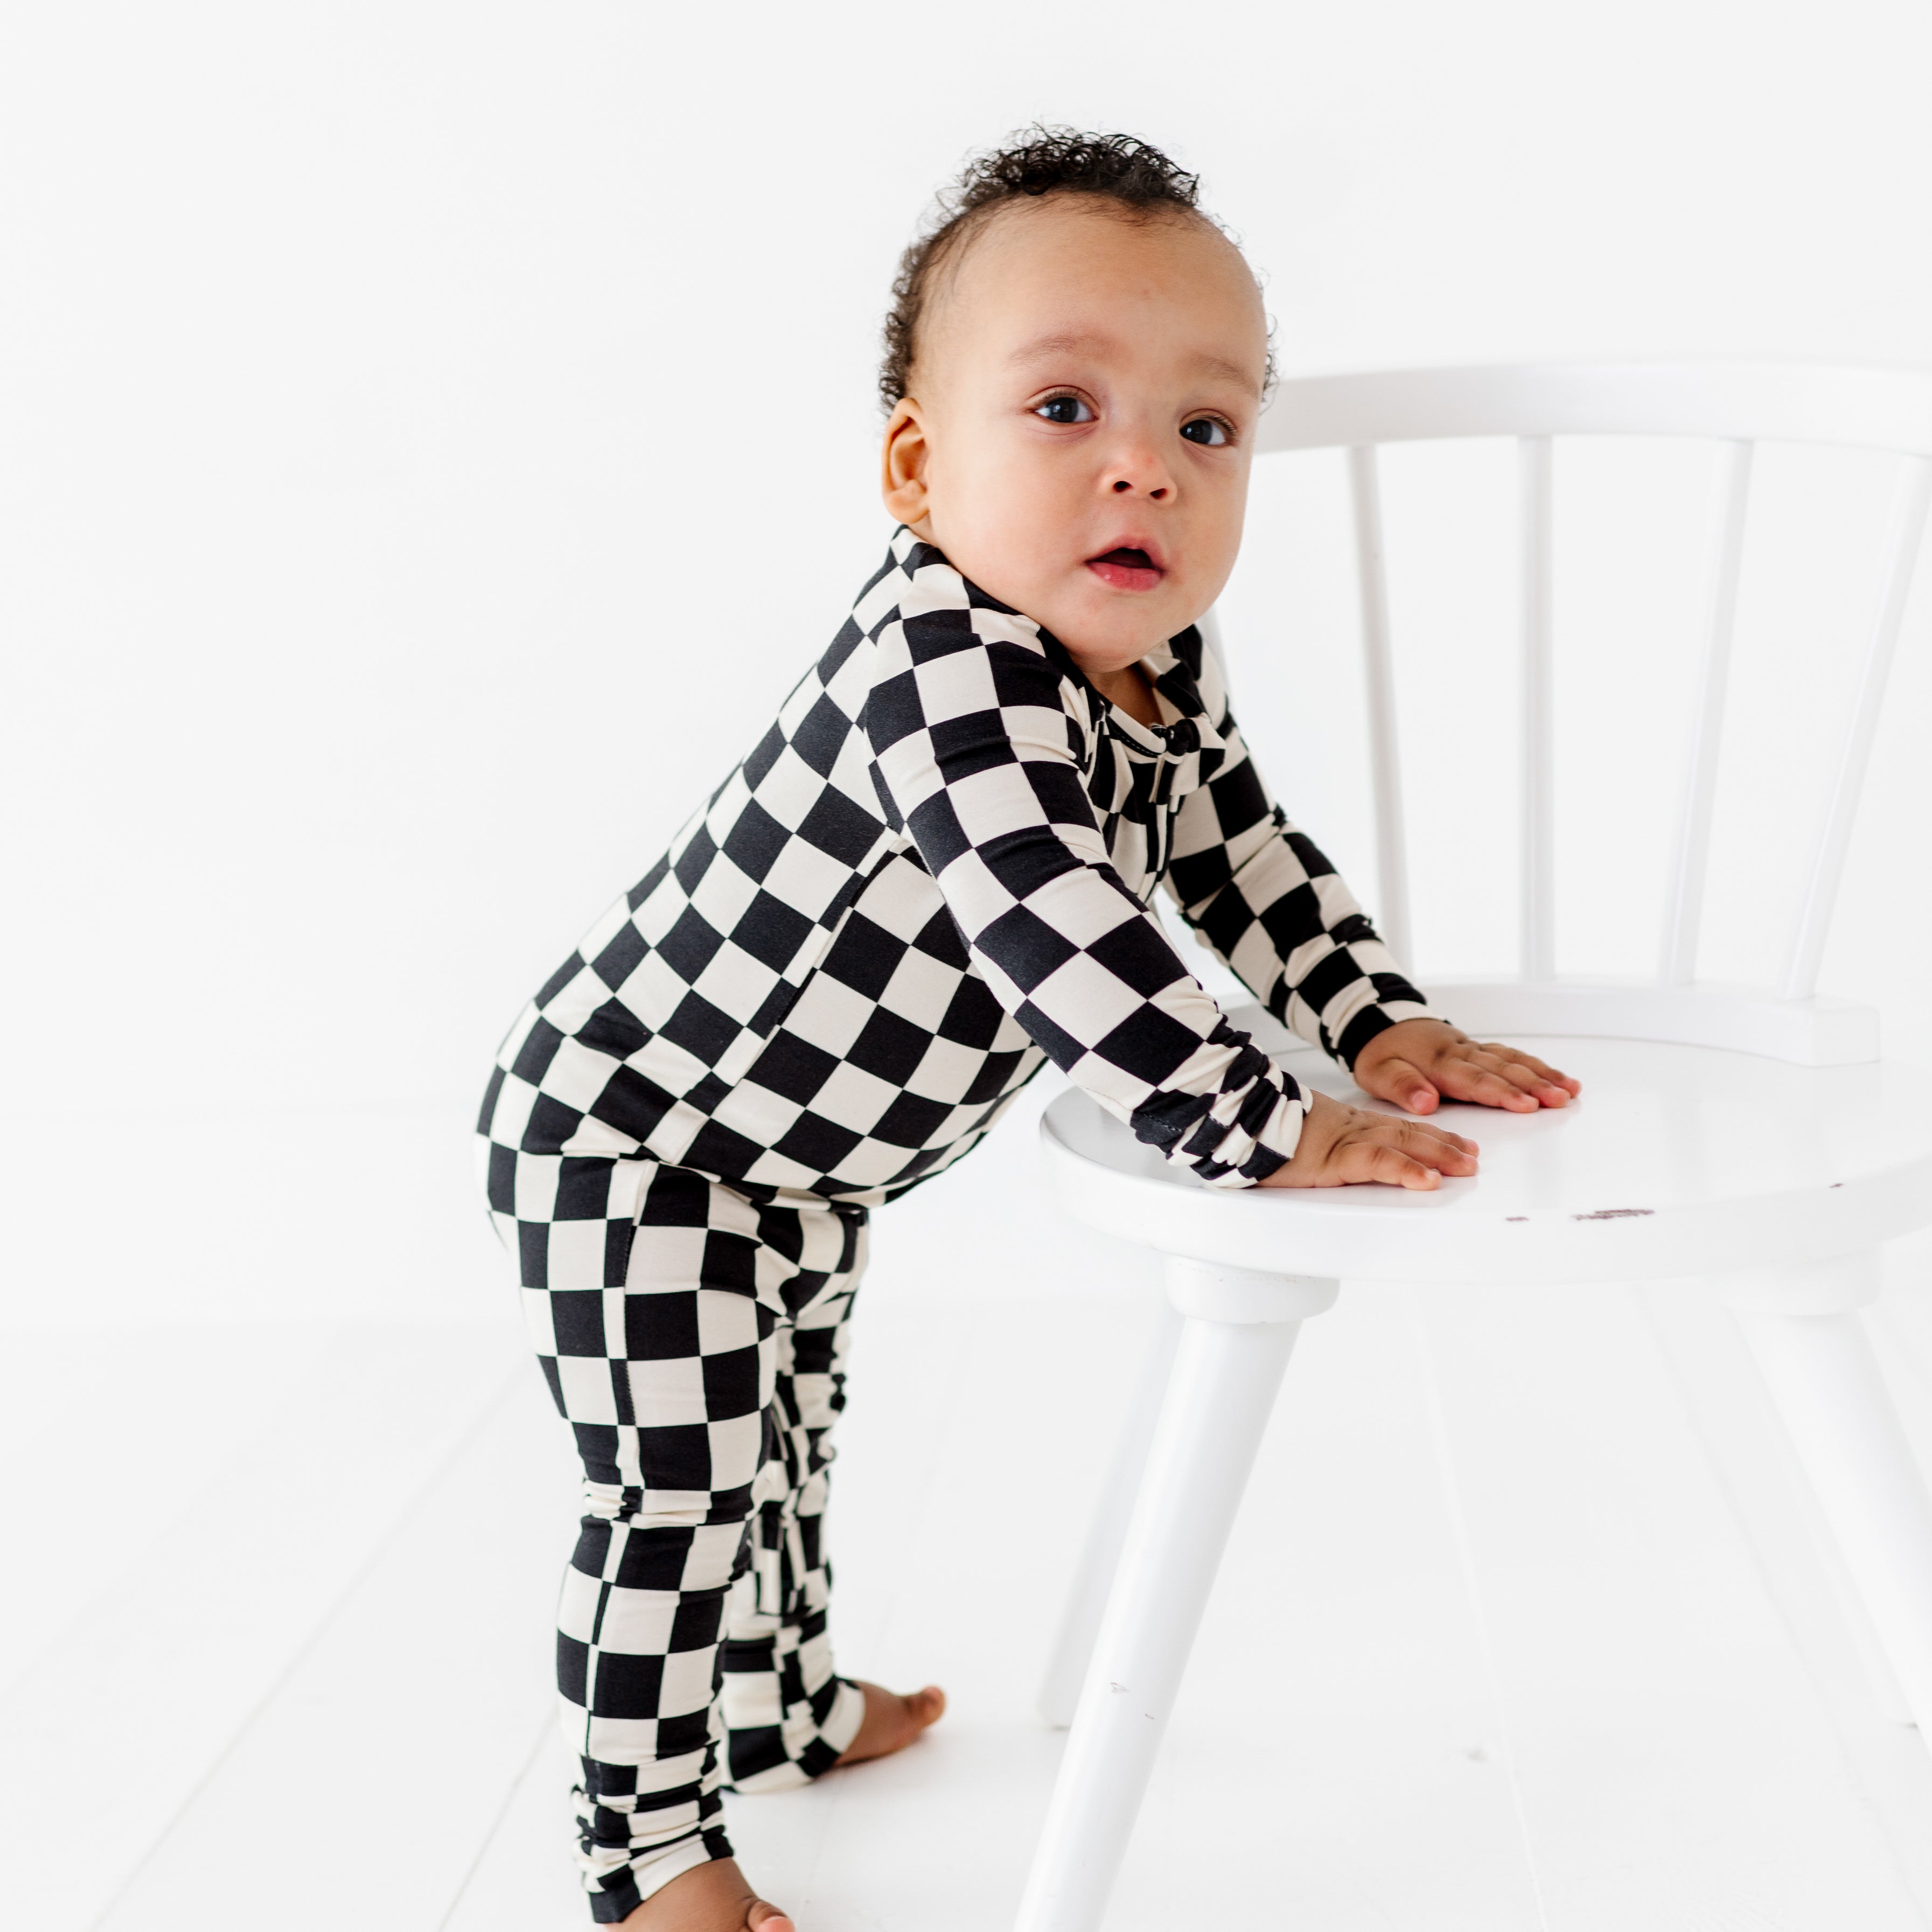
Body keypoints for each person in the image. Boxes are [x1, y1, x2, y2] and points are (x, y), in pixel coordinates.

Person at [476, 127, 1580, 1932]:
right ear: (920, 467)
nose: (1142, 463)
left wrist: (1373, 1025)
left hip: (791, 1159)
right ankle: (647, 1851)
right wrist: (1266, 1117)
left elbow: (1239, 859)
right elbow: (1056, 928)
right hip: (635, 1134)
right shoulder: (942, 668)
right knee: (678, 1484)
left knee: (787, 1439)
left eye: (1204, 429)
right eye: (1063, 408)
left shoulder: (1149, 670)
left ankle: (775, 1705)